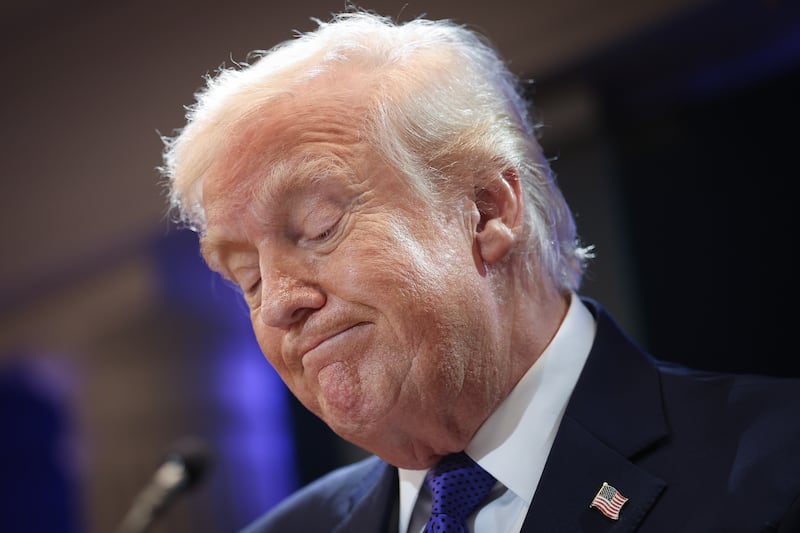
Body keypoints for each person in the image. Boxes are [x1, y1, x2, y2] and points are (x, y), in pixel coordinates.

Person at [159, 9, 800, 533]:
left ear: (488, 211)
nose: (277, 305)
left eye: (321, 226)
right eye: (246, 278)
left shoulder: (776, 466)